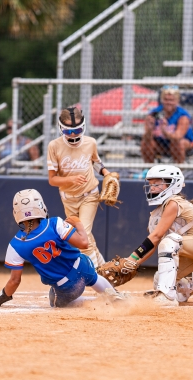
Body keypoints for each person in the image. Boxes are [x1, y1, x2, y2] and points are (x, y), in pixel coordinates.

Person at [0, 189, 124, 308]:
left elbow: (15, 281)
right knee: (92, 276)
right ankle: (114, 296)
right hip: (83, 266)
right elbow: (84, 243)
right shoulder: (55, 223)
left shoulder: (15, 244)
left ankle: (94, 302)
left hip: (68, 286)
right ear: (40, 206)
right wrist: (78, 224)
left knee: (54, 300)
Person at [123, 165, 193, 306]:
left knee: (170, 241)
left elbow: (156, 236)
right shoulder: (157, 213)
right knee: (160, 280)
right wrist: (132, 264)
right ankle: (188, 287)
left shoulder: (173, 202)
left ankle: (167, 297)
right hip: (191, 247)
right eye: (151, 184)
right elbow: (153, 244)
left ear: (172, 184)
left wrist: (131, 259)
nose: (152, 187)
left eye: (157, 184)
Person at [47, 106, 119, 269]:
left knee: (82, 236)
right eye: (68, 131)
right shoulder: (54, 146)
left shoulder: (90, 142)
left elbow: (95, 162)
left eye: (77, 130)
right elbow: (52, 180)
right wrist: (71, 179)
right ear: (61, 128)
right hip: (68, 199)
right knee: (87, 238)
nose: (73, 134)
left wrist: (107, 173)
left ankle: (96, 275)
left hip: (89, 195)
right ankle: (105, 268)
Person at [140, 85, 193, 164]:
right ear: (162, 100)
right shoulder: (154, 113)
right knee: (146, 143)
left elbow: (177, 137)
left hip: (183, 142)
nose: (168, 102)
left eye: (171, 100)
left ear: (177, 101)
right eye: (166, 99)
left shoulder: (182, 115)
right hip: (161, 143)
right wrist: (149, 130)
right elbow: (146, 138)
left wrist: (164, 131)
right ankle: (149, 170)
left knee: (177, 143)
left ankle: (179, 170)